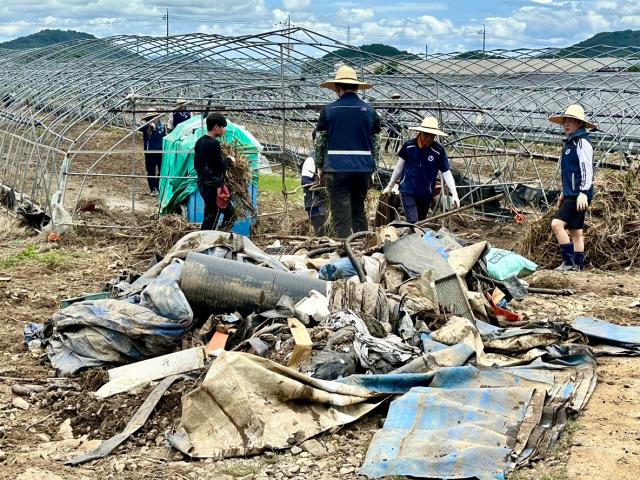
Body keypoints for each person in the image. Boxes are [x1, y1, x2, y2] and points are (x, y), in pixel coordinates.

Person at [315, 65, 381, 238]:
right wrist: (372, 167)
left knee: (340, 213)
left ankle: (345, 249)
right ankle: (363, 245)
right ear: (357, 88)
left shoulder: (328, 111)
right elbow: (376, 143)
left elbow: (320, 141)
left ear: (337, 87)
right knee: (358, 209)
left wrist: (320, 166)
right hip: (362, 169)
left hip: (336, 169)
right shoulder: (370, 111)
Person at [382, 116, 460, 223]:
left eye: (432, 136)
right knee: (413, 221)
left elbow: (446, 172)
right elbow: (399, 167)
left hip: (426, 193)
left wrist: (454, 194)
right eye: (425, 134)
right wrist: (390, 185)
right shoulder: (409, 146)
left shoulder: (438, 151)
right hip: (408, 190)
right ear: (420, 132)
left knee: (421, 221)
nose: (428, 138)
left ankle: (414, 237)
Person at [548, 104, 596, 272]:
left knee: (556, 224)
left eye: (571, 121)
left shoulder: (582, 143)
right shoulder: (570, 144)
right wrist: (563, 193)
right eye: (565, 121)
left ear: (580, 124)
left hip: (579, 194)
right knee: (576, 231)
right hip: (572, 194)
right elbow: (569, 174)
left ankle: (568, 263)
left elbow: (586, 169)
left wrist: (583, 192)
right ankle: (578, 265)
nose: (567, 124)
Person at [194, 112, 235, 231]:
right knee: (213, 217)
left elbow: (197, 165)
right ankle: (209, 242)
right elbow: (221, 167)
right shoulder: (214, 143)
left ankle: (218, 237)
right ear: (216, 127)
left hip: (202, 184)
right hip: (212, 187)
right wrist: (229, 160)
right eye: (223, 127)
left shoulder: (200, 141)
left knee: (220, 214)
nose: (224, 130)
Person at [140, 108, 166, 196]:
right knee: (151, 171)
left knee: (161, 170)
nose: (154, 118)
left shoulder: (161, 126)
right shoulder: (146, 127)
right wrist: (149, 126)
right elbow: (140, 129)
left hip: (160, 152)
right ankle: (152, 189)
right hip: (150, 152)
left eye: (155, 116)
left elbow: (164, 136)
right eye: (151, 117)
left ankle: (157, 186)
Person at [301, 154, 327, 236]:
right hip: (315, 204)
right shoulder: (311, 160)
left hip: (327, 204)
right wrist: (321, 185)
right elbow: (305, 181)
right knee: (321, 233)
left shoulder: (328, 159)